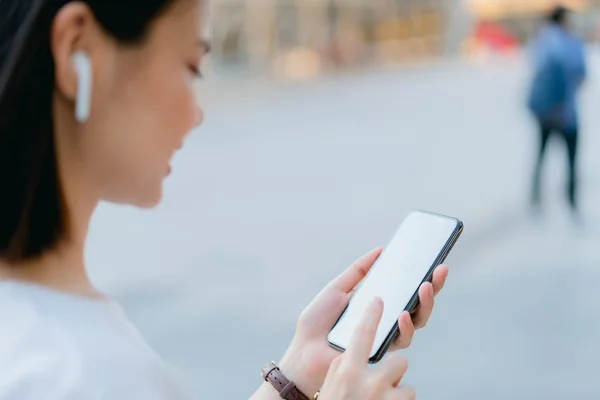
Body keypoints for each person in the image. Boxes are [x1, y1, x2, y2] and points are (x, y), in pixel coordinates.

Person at [0, 1, 450, 399]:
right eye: (190, 67)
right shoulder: (81, 374)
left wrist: (297, 372)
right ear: (77, 47)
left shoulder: (45, 336)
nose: (196, 114)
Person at [527, 6, 587, 215]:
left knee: (540, 155)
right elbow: (581, 76)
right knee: (571, 160)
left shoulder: (541, 41)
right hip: (567, 114)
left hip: (544, 112)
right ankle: (571, 202)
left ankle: (535, 198)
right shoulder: (572, 43)